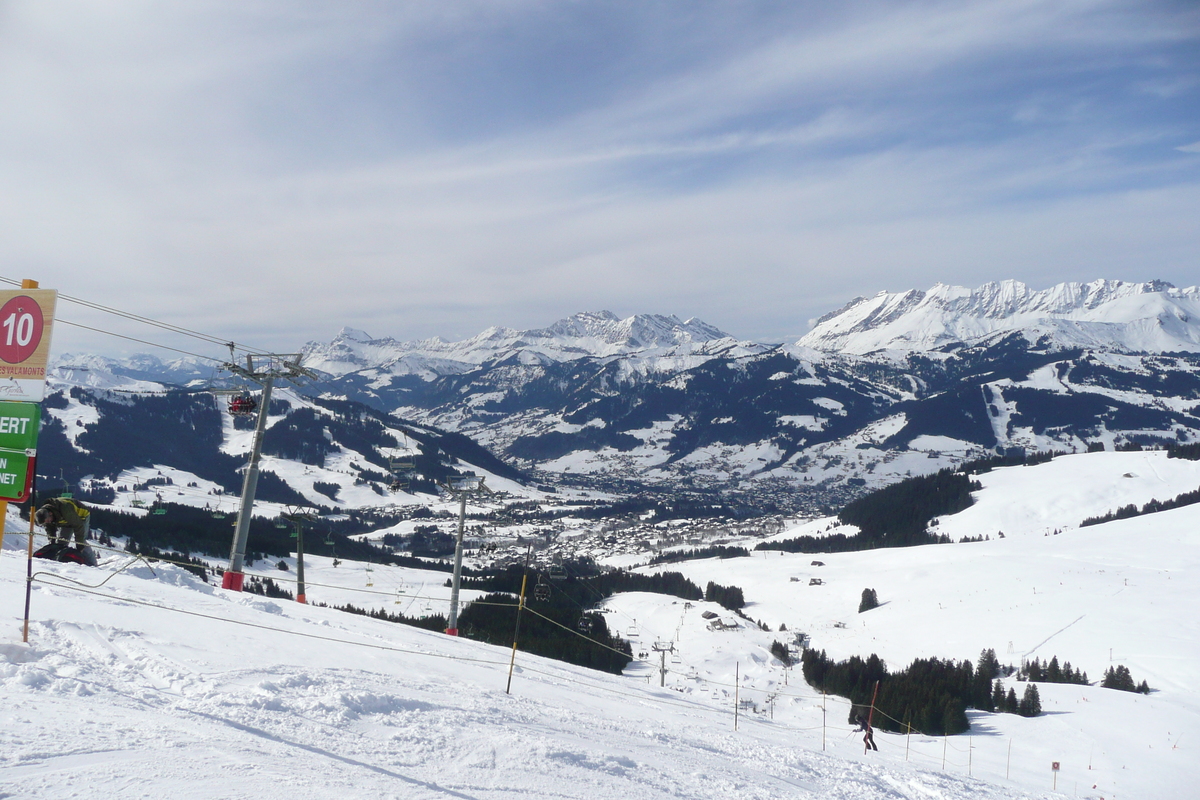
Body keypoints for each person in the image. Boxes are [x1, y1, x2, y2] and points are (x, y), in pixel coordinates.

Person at [34, 497, 97, 566]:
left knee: (82, 542)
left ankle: (92, 564)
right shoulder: (46, 516)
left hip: (81, 516)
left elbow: (78, 526)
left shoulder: (65, 509)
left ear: (50, 513)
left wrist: (79, 545)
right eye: (46, 522)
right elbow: (50, 529)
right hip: (65, 520)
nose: (49, 522)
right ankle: (61, 560)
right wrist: (52, 542)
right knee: (62, 542)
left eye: (48, 520)